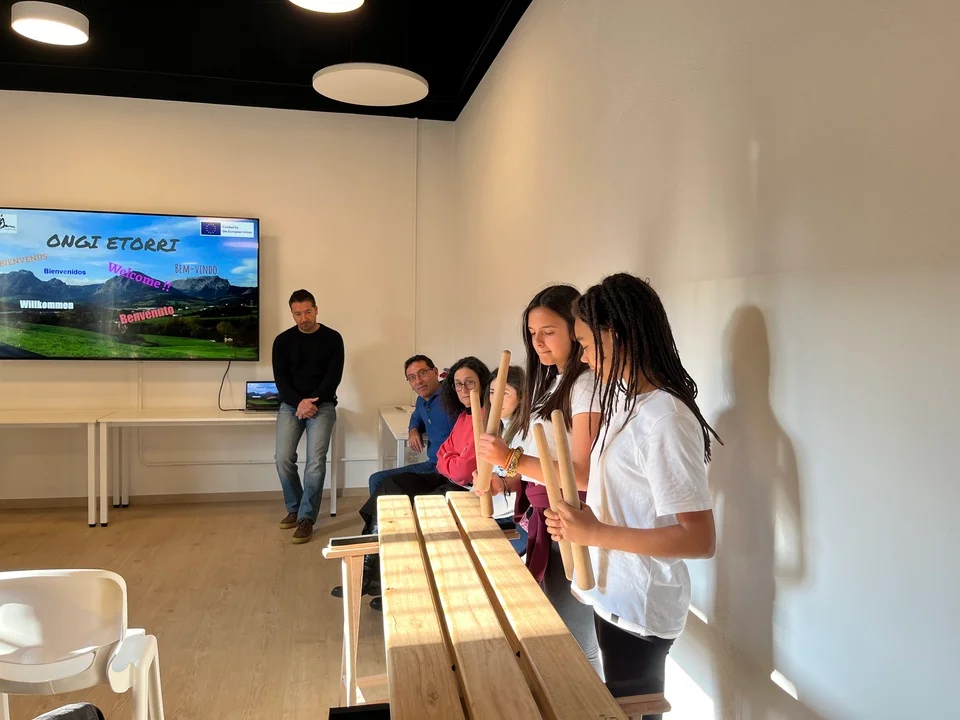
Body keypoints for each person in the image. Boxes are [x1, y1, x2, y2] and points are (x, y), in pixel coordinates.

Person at [544, 273, 719, 716]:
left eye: (586, 344)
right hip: (614, 593)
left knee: (632, 711)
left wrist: (594, 533)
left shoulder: (666, 418)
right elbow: (623, 501)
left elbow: (699, 539)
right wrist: (579, 525)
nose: (583, 356)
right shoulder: (625, 402)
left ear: (616, 336)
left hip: (640, 606)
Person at [476, 285, 603, 673]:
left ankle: (588, 700)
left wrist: (509, 459)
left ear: (575, 329)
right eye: (532, 333)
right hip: (547, 515)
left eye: (548, 331)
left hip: (572, 518)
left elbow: (583, 475)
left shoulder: (585, 385)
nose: (538, 342)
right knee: (557, 629)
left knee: (575, 641)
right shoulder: (552, 381)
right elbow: (543, 460)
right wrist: (507, 479)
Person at [347, 356, 491, 611]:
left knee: (405, 501)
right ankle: (371, 567)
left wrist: (447, 460)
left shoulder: (477, 415)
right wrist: (416, 430)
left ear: (435, 373)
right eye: (458, 384)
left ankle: (397, 580)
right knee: (389, 486)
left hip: (457, 483)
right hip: (442, 472)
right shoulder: (460, 413)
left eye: (469, 383)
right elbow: (444, 448)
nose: (463, 389)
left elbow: (461, 468)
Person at [272, 289, 344, 545]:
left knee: (315, 461)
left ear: (316, 309)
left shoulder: (333, 338)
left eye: (308, 312)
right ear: (292, 314)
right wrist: (299, 403)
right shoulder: (282, 341)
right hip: (291, 405)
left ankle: (306, 518)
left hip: (322, 405)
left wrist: (311, 402)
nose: (303, 318)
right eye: (297, 314)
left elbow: (333, 377)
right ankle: (295, 507)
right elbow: (281, 380)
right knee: (282, 458)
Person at [366, 355, 456, 495]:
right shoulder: (421, 400)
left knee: (385, 483)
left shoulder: (452, 397)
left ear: (435, 372)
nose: (418, 381)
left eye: (422, 373)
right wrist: (413, 429)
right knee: (377, 480)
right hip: (433, 464)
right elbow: (415, 417)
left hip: (450, 469)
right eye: (412, 378)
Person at [475, 364, 529, 555]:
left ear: (521, 397)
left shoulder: (528, 432)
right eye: (492, 392)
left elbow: (525, 479)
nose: (495, 400)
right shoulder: (497, 428)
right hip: (490, 509)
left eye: (504, 393)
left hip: (511, 515)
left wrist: (501, 484)